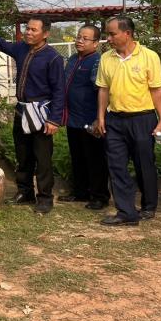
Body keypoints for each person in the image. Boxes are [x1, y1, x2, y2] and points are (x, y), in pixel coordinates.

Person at [0, 17, 65, 214]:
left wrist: (54, 119)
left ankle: (45, 198)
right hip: (21, 110)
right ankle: (25, 192)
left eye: (33, 30)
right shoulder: (21, 48)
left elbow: (59, 91)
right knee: (23, 154)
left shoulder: (53, 57)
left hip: (40, 113)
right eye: (27, 29)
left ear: (45, 34)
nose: (28, 32)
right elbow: (2, 44)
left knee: (42, 157)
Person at [95, 16, 161, 226]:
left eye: (112, 34)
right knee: (116, 164)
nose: (108, 38)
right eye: (107, 34)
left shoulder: (149, 56)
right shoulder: (106, 58)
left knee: (144, 163)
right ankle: (126, 211)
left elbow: (156, 90)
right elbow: (103, 89)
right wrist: (101, 117)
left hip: (143, 118)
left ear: (127, 33)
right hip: (115, 119)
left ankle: (149, 206)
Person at [61, 24, 109, 210]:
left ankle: (99, 196)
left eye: (85, 38)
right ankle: (80, 192)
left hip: (90, 119)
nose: (80, 41)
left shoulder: (97, 61)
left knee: (95, 159)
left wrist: (99, 118)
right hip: (73, 119)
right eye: (78, 37)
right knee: (77, 157)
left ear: (96, 43)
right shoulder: (73, 58)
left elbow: (102, 91)